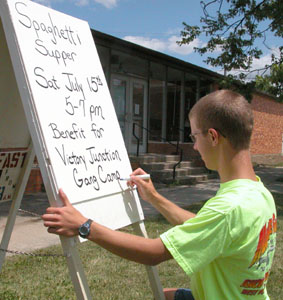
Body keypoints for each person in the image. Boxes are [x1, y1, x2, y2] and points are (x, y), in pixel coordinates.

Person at [42, 89, 277, 300]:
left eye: (194, 137)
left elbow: (154, 253)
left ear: (213, 137)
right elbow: (205, 226)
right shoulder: (258, 191)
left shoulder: (228, 208)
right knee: (160, 295)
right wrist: (154, 197)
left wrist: (85, 226)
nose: (194, 146)